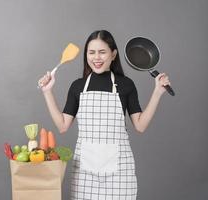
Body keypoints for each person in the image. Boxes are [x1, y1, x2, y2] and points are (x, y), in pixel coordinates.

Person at [38, 30, 171, 199]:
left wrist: (157, 92)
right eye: (91, 52)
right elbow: (62, 126)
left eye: (102, 52)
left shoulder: (126, 85)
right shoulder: (77, 86)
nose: (96, 58)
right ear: (86, 55)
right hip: (84, 172)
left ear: (113, 54)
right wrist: (47, 92)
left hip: (120, 171)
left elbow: (140, 125)